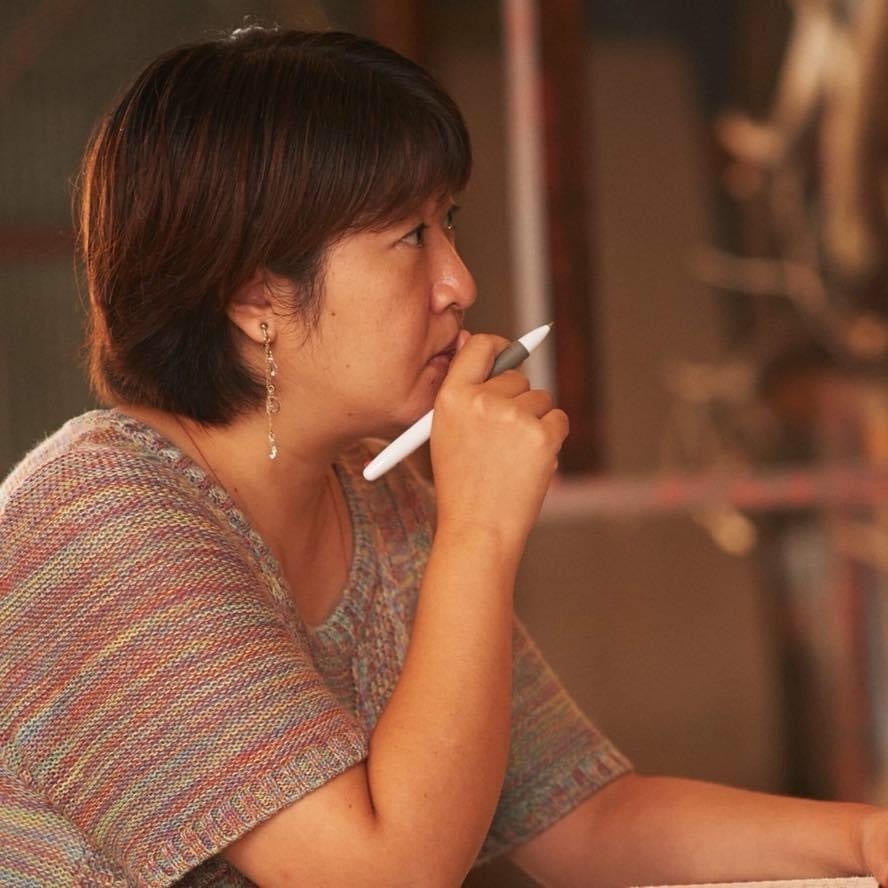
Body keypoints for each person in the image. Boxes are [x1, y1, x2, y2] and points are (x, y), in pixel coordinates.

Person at [0, 25, 887, 888]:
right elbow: (380, 877)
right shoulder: (96, 522)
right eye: (410, 236)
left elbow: (588, 824)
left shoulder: (379, 506)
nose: (460, 283)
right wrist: (479, 532)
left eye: (447, 223)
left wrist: (865, 836)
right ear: (256, 292)